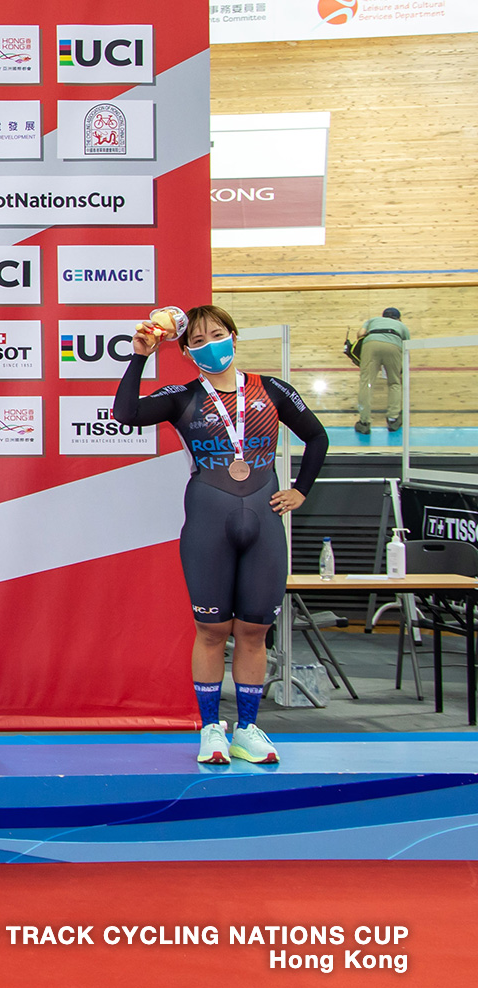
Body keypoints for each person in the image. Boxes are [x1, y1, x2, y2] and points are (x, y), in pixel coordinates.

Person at [112, 304, 327, 767]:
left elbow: (318, 437)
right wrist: (140, 356)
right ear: (188, 352)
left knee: (255, 630)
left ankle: (248, 729)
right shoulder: (183, 396)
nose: (211, 345)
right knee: (211, 631)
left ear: (234, 334)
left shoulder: (272, 390)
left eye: (217, 334)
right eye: (198, 341)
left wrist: (300, 491)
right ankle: (212, 729)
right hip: (209, 524)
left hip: (264, 526)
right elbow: (126, 414)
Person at [353, 307, 410, 436]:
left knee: (366, 383)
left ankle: (364, 422)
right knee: (394, 383)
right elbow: (407, 346)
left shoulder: (373, 320)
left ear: (383, 316)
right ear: (398, 318)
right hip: (394, 345)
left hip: (371, 342)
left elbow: (360, 334)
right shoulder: (402, 326)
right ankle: (393, 419)